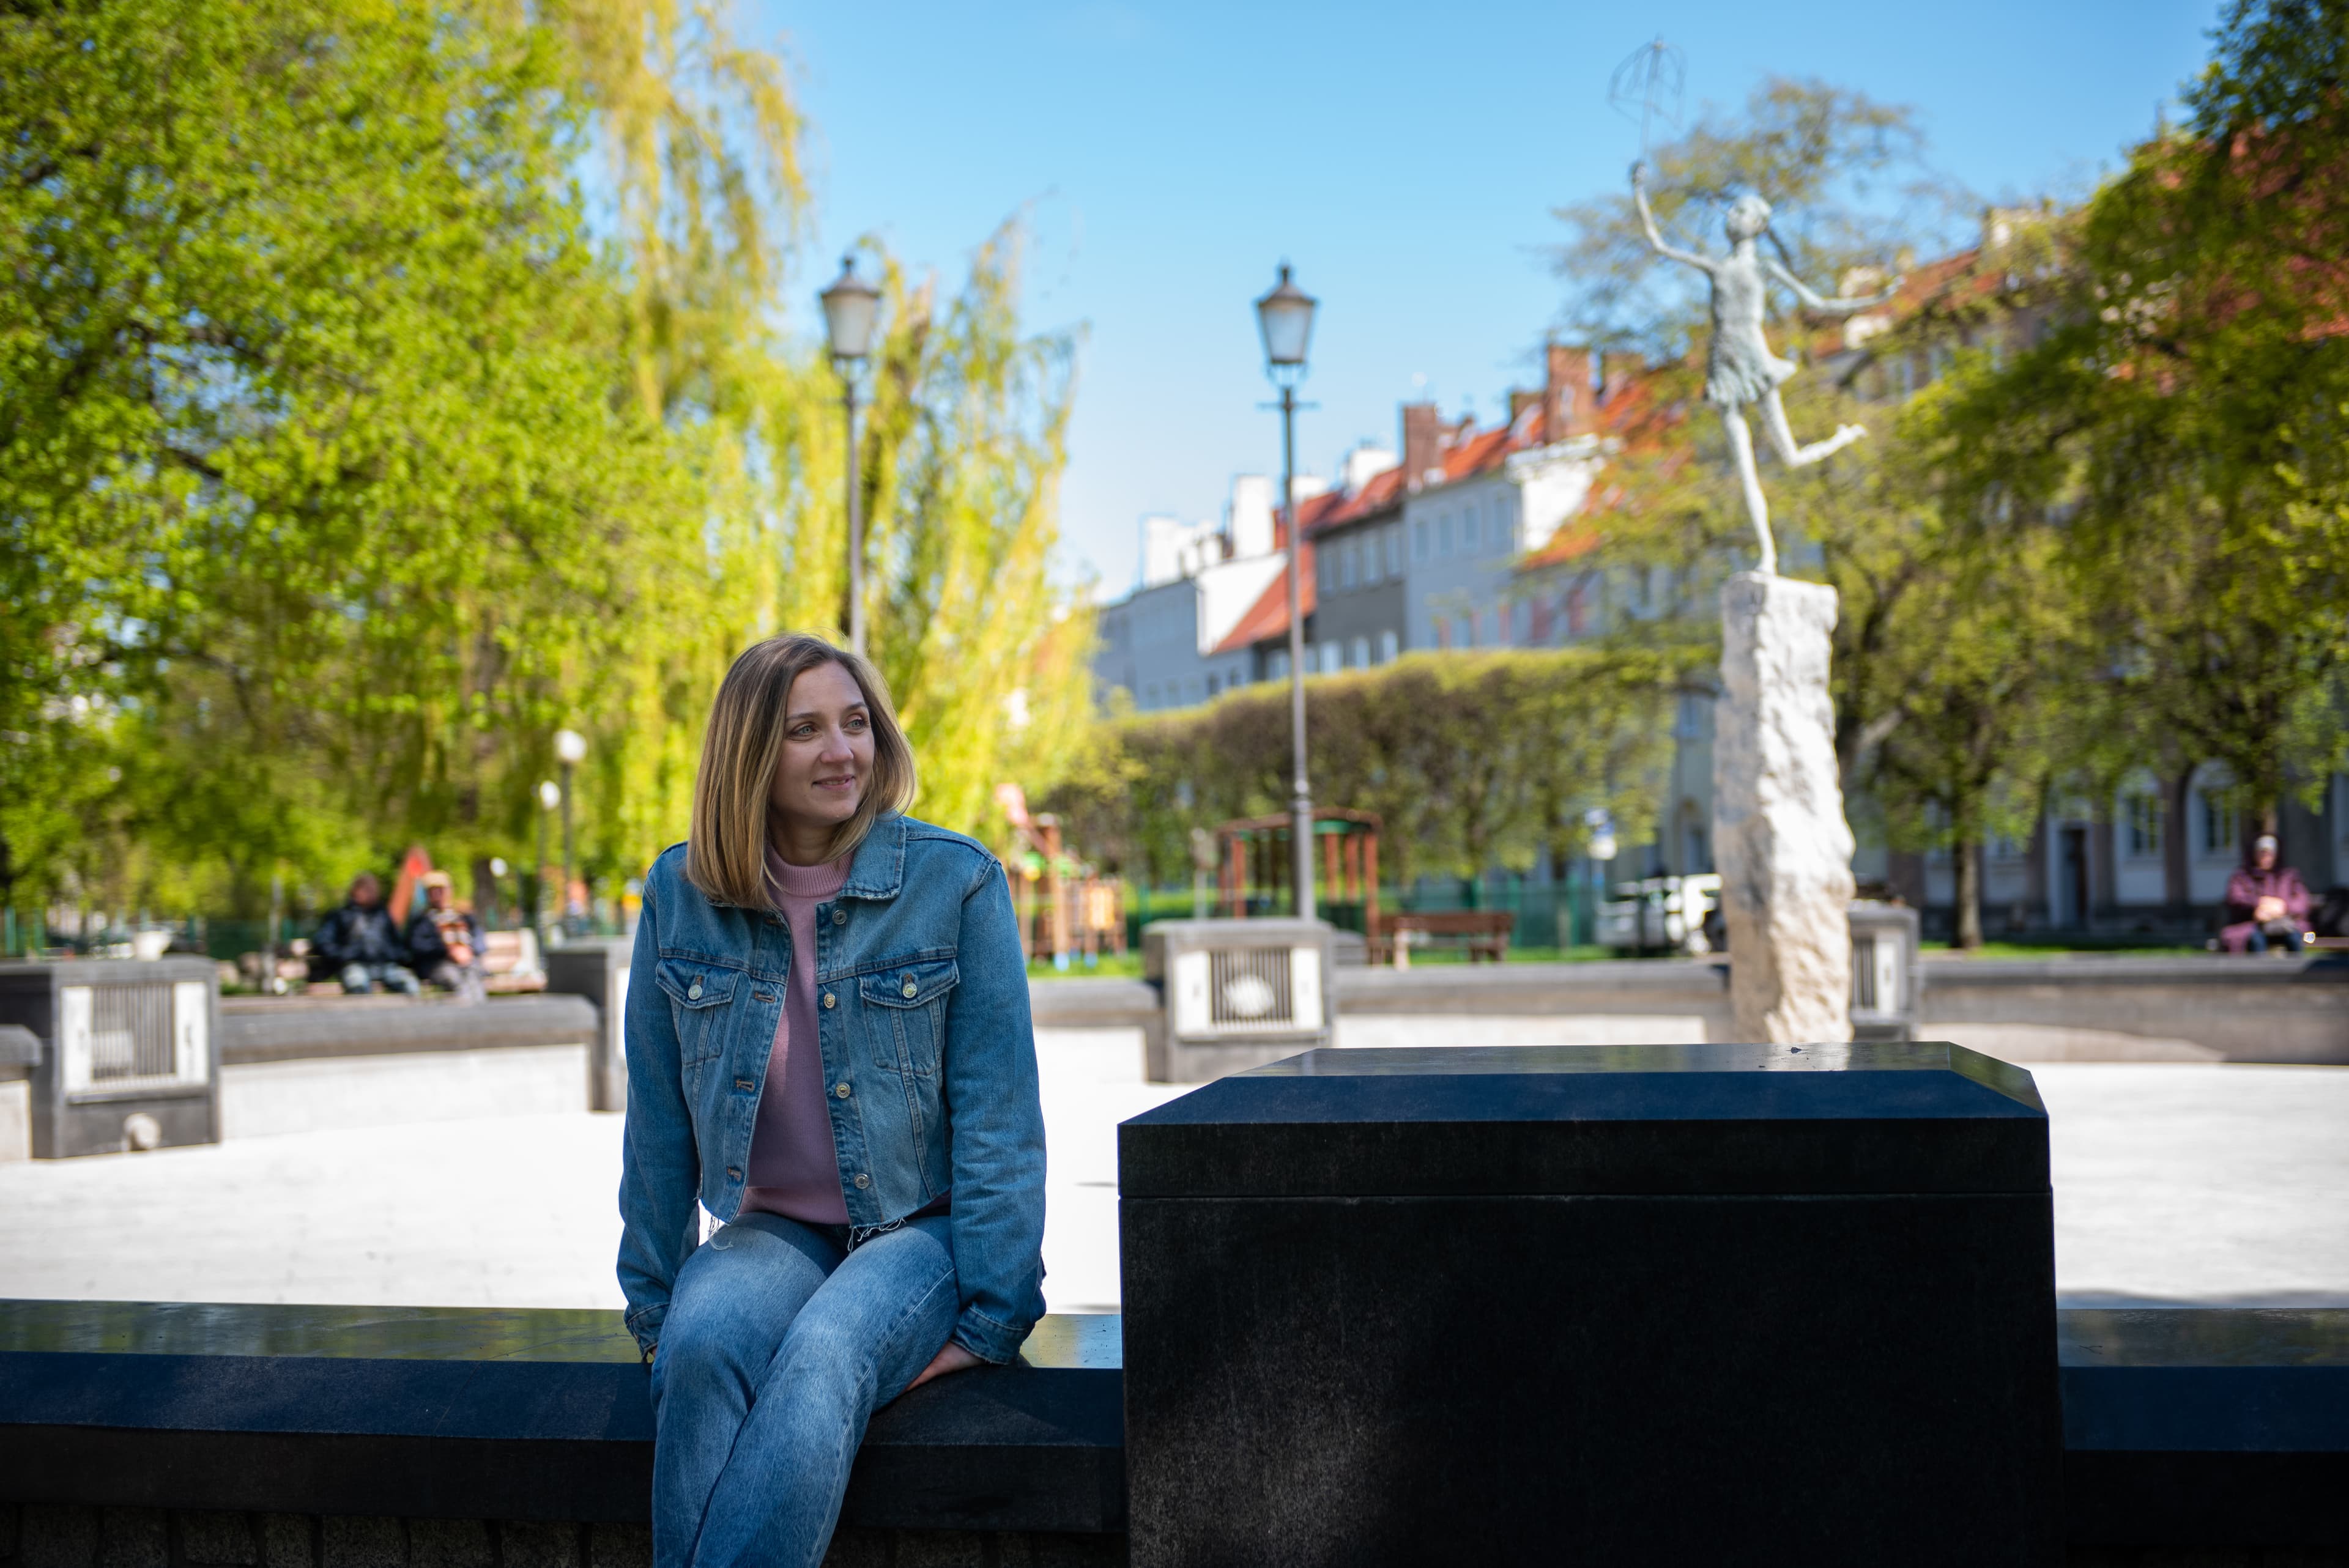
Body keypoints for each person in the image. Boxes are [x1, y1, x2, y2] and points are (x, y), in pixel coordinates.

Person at [618, 632, 1045, 1568]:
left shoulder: (955, 881)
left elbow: (1000, 1118)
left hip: (917, 1230)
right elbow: (655, 1125)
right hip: (778, 1228)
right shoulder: (678, 892)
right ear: (749, 757)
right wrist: (655, 1310)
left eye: (855, 723)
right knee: (700, 1350)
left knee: (821, 1359)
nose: (841, 751)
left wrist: (992, 1321)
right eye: (804, 730)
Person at [314, 873, 420, 996]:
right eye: (366, 890)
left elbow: (398, 943)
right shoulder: (342, 915)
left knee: (410, 983)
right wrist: (343, 955)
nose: (371, 894)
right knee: (357, 985)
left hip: (385, 966)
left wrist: (394, 955)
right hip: (356, 965)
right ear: (355, 891)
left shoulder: (383, 916)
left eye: (373, 890)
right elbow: (323, 941)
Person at [2221, 834, 2312, 955]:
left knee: (2297, 938)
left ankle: (2297, 974)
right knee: (2256, 940)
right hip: (2253, 926)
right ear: (2254, 854)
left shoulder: (2289, 876)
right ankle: (2259, 973)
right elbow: (2235, 898)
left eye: (2269, 853)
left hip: (2287, 925)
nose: (2265, 857)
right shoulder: (2241, 876)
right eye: (2262, 853)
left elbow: (2302, 902)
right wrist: (2258, 906)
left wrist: (2283, 907)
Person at [407, 871, 487, 1004]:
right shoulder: (422, 920)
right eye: (433, 891)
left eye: (441, 890)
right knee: (453, 977)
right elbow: (417, 946)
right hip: (437, 965)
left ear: (449, 891)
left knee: (474, 972)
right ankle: (467, 1014)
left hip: (466, 961)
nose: (437, 895)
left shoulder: (462, 916)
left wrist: (468, 952)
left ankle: (479, 1012)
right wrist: (448, 950)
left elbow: (479, 939)